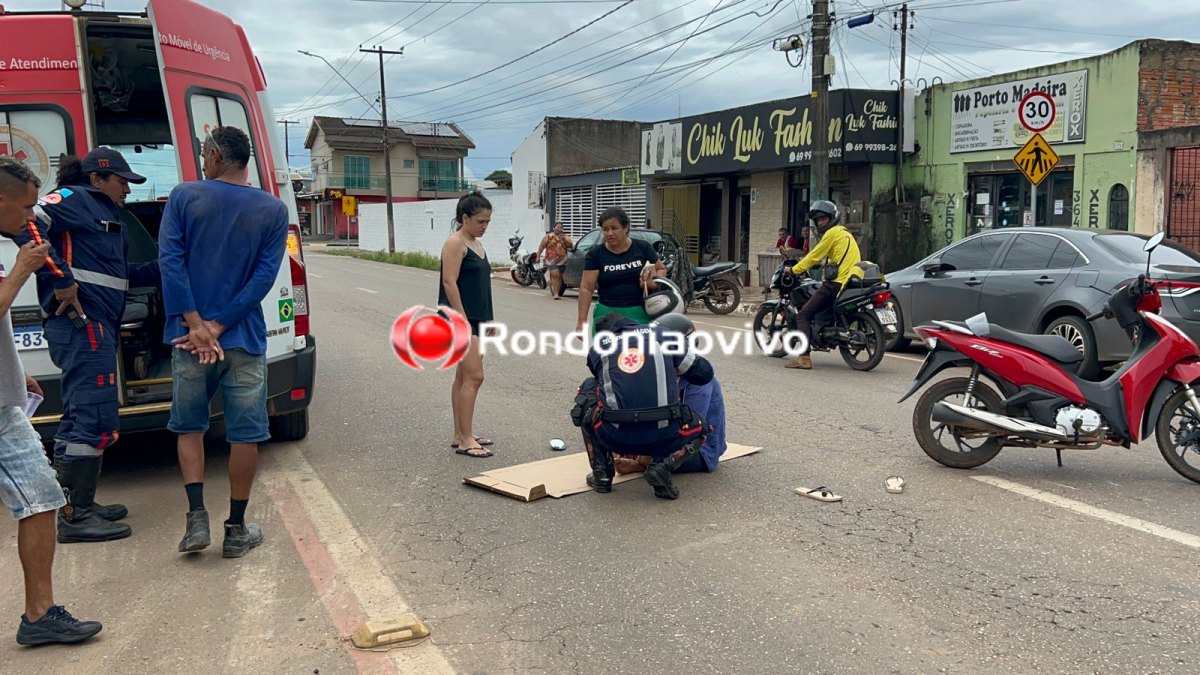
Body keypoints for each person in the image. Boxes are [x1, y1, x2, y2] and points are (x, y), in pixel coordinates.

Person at [15, 147, 162, 544]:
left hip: (97, 326)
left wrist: (165, 266)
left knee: (84, 414)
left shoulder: (106, 214)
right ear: (97, 179)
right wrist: (60, 278)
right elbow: (26, 223)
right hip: (81, 326)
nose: (127, 191)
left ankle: (79, 502)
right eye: (121, 182)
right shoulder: (74, 199)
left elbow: (116, 276)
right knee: (93, 418)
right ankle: (75, 518)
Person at [159, 126, 288, 558]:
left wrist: (196, 324)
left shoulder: (183, 197)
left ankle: (196, 518)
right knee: (244, 435)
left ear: (215, 155)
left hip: (187, 341)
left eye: (203, 153)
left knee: (190, 426)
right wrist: (219, 325)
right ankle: (236, 528)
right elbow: (263, 279)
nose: (202, 159)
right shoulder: (272, 209)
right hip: (243, 339)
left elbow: (170, 262)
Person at [0, 156, 103, 645]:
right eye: (23, 207)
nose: (29, 217)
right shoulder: (16, 253)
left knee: (41, 498)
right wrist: (22, 271)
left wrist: (19, 375)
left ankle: (39, 616)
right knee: (40, 497)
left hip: (4, 403)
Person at [570, 312, 714, 500]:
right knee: (703, 427)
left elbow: (603, 383)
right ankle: (663, 465)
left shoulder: (598, 349)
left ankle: (602, 476)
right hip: (665, 436)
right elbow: (704, 374)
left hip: (615, 438)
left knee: (587, 399)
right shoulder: (664, 335)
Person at [609, 314, 727, 476]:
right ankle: (643, 459)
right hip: (663, 434)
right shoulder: (657, 370)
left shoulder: (700, 380)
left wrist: (643, 448)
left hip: (699, 450)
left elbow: (691, 428)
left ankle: (643, 463)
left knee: (651, 451)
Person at [439, 191, 495, 458]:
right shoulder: (455, 243)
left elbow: (480, 286)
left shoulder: (476, 244)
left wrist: (488, 318)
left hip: (478, 317)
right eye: (480, 221)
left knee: (463, 376)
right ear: (465, 218)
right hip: (459, 319)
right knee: (475, 376)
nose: (484, 226)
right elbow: (450, 282)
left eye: (487, 221)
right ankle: (466, 440)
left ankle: (460, 433)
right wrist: (461, 319)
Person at [785, 200, 863, 370]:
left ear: (832, 218)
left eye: (823, 219)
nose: (820, 222)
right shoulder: (845, 233)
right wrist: (822, 265)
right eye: (818, 220)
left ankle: (804, 357)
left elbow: (813, 255)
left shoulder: (832, 233)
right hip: (850, 281)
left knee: (803, 315)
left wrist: (794, 270)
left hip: (835, 283)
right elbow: (837, 257)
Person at [574, 206, 666, 337]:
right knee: (607, 355)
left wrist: (653, 282)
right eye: (605, 229)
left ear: (626, 228)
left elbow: (661, 268)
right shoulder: (595, 254)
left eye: (614, 228)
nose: (609, 233)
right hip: (606, 315)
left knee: (640, 356)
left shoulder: (642, 248)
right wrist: (581, 321)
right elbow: (586, 288)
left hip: (639, 314)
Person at [536, 221, 572, 300]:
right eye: (557, 227)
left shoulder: (565, 236)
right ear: (554, 228)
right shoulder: (548, 237)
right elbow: (541, 246)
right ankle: (556, 293)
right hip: (551, 259)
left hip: (563, 260)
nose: (559, 229)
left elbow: (570, 245)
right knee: (555, 274)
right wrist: (538, 255)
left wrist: (565, 239)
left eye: (560, 227)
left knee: (559, 276)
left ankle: (553, 286)